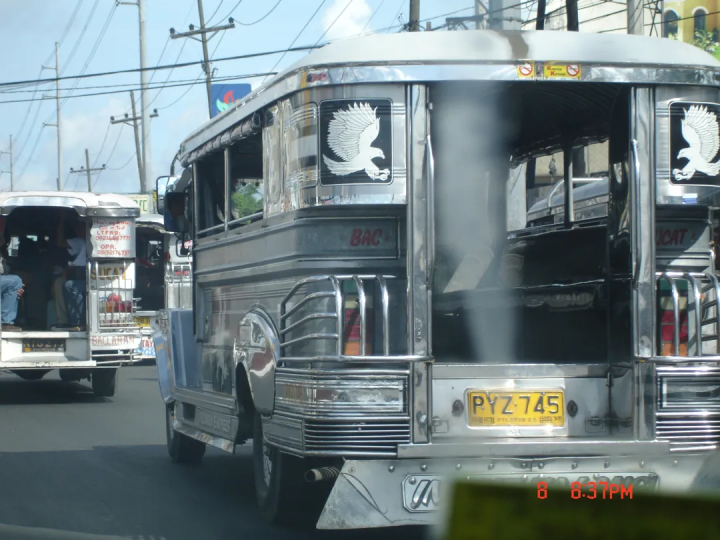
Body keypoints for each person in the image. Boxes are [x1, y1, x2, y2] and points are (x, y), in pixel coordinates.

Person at [53, 215, 87, 331]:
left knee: (61, 284)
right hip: (80, 274)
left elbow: (60, 242)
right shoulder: (83, 243)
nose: (76, 230)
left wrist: (61, 221)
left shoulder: (81, 242)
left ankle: (65, 321)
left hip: (80, 275)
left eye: (79, 228)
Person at [0, 225, 25, 331]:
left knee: (16, 283)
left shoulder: (4, 253)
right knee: (15, 281)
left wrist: (16, 288)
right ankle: (6, 321)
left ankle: (15, 320)